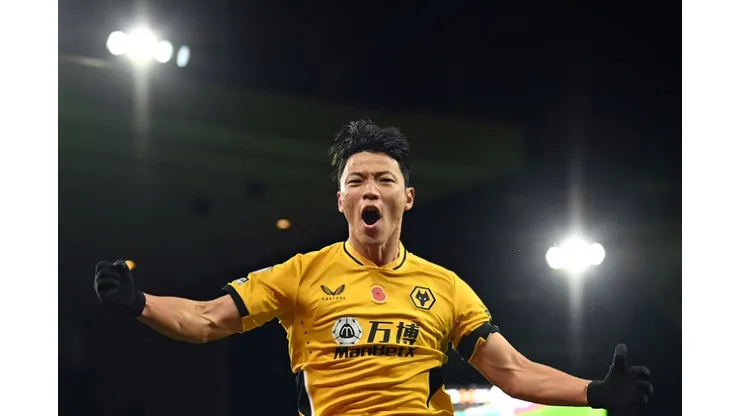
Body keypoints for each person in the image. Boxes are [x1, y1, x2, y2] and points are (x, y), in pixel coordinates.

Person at [94, 120, 653, 416]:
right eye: (356, 181)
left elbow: (511, 371)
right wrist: (140, 303)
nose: (370, 189)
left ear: (406, 198)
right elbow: (206, 318)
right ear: (341, 201)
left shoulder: (445, 287)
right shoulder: (301, 273)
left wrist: (595, 392)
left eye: (384, 180)